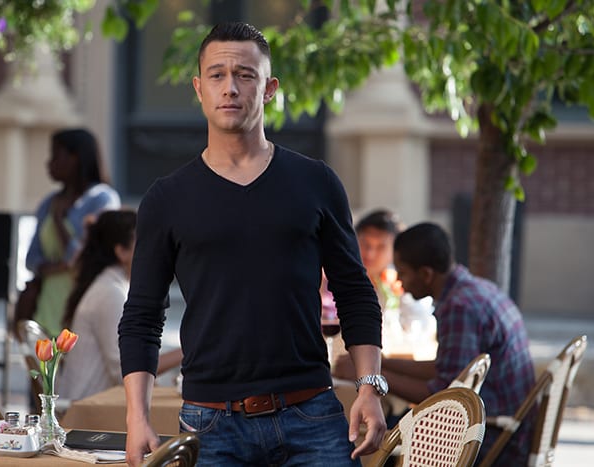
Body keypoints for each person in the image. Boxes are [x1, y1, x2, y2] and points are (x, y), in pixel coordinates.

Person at [119, 21, 386, 467]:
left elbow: (355, 292)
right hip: (210, 424)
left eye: (245, 75)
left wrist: (369, 387)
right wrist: (136, 417)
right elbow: (142, 316)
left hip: (312, 415)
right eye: (217, 75)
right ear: (199, 88)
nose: (230, 88)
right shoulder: (167, 198)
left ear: (269, 89)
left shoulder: (316, 181)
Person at [384, 222, 536, 465]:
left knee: (380, 442)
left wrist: (374, 378)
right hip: (511, 430)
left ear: (426, 274)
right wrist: (382, 364)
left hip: (494, 440)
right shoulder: (477, 289)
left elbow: (444, 397)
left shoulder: (459, 307)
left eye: (402, 272)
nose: (399, 280)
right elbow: (448, 369)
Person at [25, 128, 120, 336]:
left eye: (55, 155)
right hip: (47, 307)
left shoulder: (102, 199)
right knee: (47, 357)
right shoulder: (48, 203)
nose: (48, 163)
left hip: (84, 305)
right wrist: (61, 266)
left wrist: (59, 221)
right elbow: (31, 259)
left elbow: (83, 257)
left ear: (75, 158)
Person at [57, 209, 136, 400]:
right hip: (87, 409)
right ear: (122, 251)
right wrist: (186, 353)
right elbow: (123, 371)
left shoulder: (111, 286)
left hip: (94, 403)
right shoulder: (110, 293)